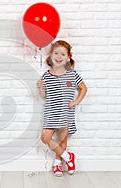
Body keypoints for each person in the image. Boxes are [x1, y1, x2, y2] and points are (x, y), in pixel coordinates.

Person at [36, 40, 87, 177]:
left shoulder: (72, 74)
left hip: (66, 112)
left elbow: (83, 88)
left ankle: (57, 165)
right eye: (56, 53)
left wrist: (76, 101)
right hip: (51, 112)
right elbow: (44, 96)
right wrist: (40, 88)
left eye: (62, 54)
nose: (59, 57)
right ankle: (68, 156)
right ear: (51, 55)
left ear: (68, 57)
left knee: (62, 139)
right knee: (45, 137)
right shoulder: (46, 76)